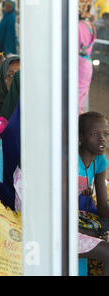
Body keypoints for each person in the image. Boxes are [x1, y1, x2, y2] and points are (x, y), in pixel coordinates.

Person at [77, 112, 109, 276]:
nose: (102, 138)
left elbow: (103, 206)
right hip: (52, 221)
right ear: (80, 137)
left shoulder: (100, 161)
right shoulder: (69, 161)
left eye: (105, 134)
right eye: (94, 134)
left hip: (71, 216)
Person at [78, 0, 97, 114]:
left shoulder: (78, 26)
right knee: (81, 97)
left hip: (79, 64)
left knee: (75, 99)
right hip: (87, 64)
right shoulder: (91, 25)